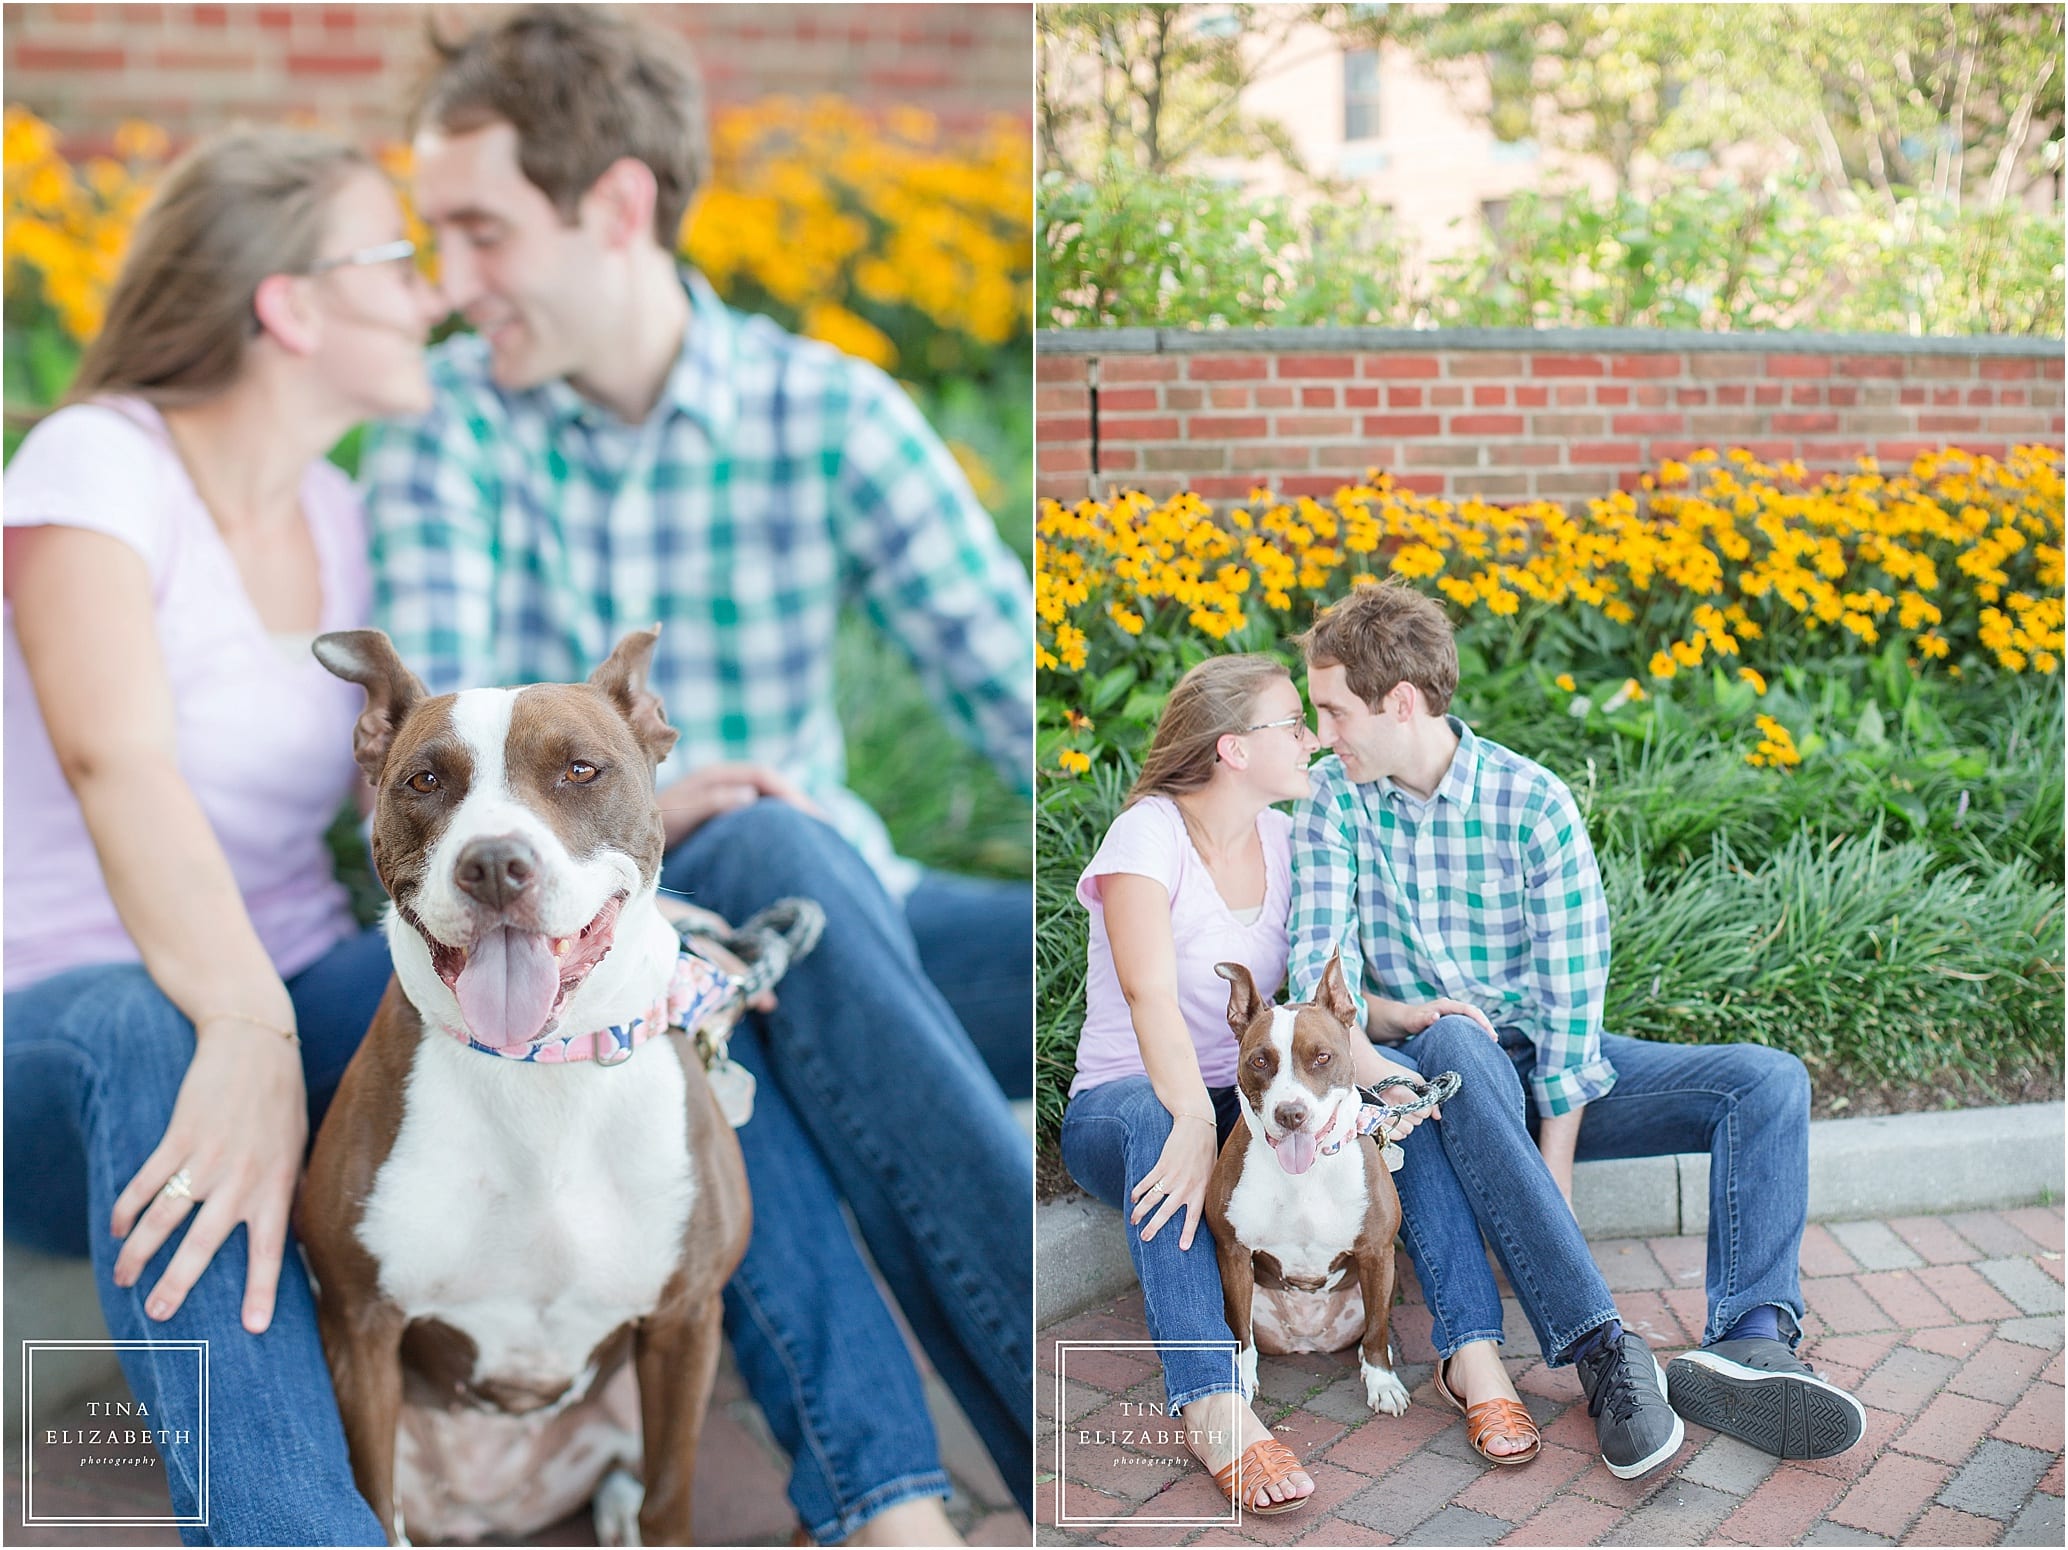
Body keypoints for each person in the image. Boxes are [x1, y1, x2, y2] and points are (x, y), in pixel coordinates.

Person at [356, 8, 1033, 1541]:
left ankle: (903, 1497)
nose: (446, 287)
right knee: (707, 942)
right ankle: (916, 1500)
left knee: (788, 895)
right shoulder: (446, 435)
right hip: (601, 930)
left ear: (614, 205)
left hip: (837, 920)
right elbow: (458, 771)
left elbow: (1028, 714)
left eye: (478, 231)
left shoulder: (829, 413)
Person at [3, 128, 444, 1543]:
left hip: (278, 977)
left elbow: (414, 793)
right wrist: (247, 1029)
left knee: (482, 995)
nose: (430, 294)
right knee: (149, 1026)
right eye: (399, 258)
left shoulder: (341, 516)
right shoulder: (95, 464)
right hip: (48, 1025)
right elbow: (113, 758)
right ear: (292, 304)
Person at [1285, 580, 1869, 1480]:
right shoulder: (1334, 800)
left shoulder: (1534, 805)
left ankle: (1752, 1340)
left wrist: (1553, 1168)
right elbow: (1314, 979)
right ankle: (1604, 1353)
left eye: (1331, 710)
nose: (1323, 736)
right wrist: (1390, 1045)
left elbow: (1571, 1011)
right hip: (1424, 1085)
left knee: (1766, 1082)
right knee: (1452, 1045)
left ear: (1399, 702)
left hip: (1542, 1079)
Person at [1059, 655, 1541, 1520]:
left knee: (1396, 1123)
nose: (1315, 739)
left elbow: (1314, 1012)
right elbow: (1148, 997)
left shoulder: (1288, 840)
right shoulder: (1149, 834)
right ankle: (1213, 1402)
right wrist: (1192, 1120)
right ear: (1235, 749)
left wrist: (1399, 1017)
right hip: (1132, 1099)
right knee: (1152, 1126)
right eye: (1294, 723)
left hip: (1259, 1100)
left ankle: (1473, 1355)